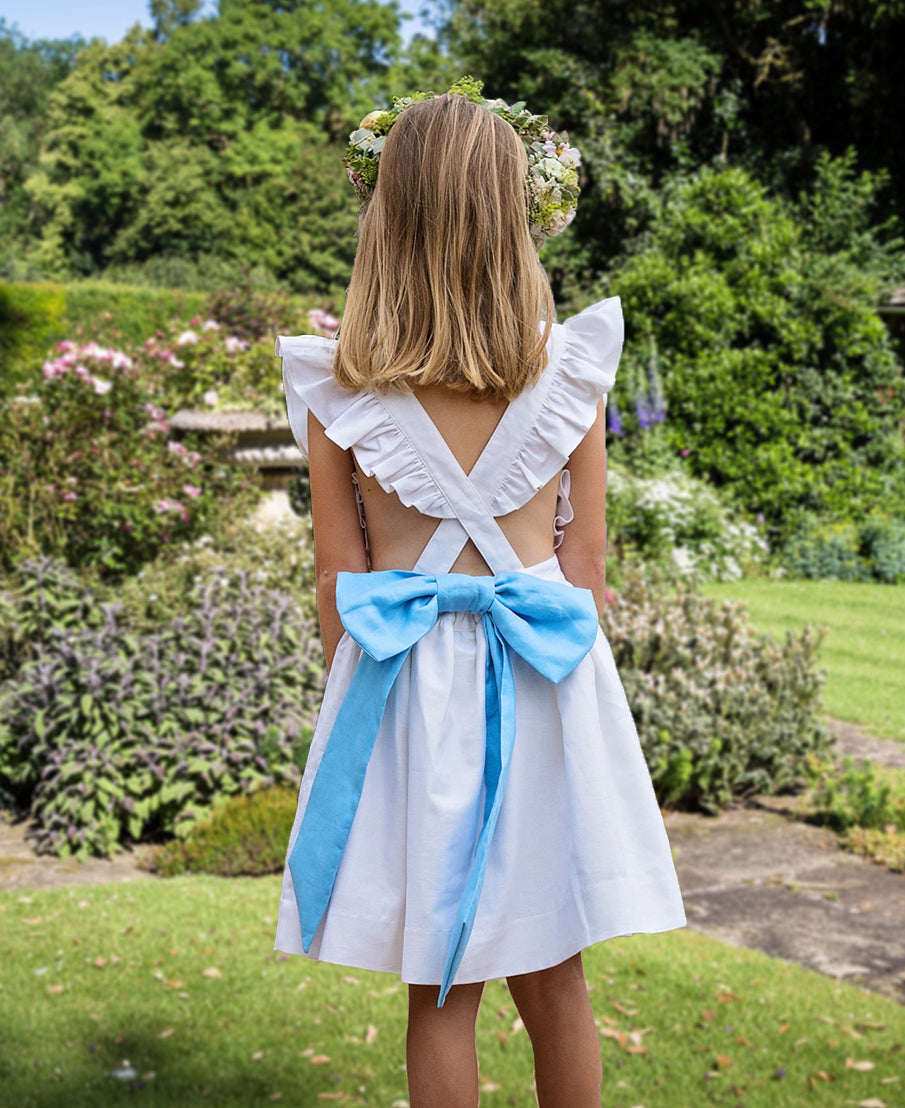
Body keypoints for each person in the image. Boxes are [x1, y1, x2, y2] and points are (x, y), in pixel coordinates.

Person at [274, 84, 685, 1108]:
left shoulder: (340, 394)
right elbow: (585, 569)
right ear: (514, 220)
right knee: (555, 977)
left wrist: (356, 717)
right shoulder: (572, 376)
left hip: (408, 693)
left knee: (441, 989)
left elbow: (338, 586)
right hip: (546, 682)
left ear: (388, 224)